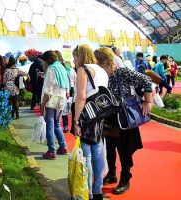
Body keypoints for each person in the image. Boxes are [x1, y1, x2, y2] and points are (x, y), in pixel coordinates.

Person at [94, 47, 152, 195]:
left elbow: (146, 79)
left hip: (124, 118)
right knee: (109, 148)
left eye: (96, 61)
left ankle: (125, 178)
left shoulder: (122, 72)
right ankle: (111, 174)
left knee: (124, 150)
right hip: (109, 117)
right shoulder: (101, 76)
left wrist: (147, 101)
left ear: (104, 62)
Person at [73, 45, 108, 200]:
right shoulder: (100, 70)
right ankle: (98, 190)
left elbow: (81, 97)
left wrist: (76, 121)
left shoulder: (83, 70)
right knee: (98, 154)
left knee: (86, 156)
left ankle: (86, 193)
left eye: (75, 57)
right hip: (100, 116)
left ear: (80, 56)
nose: (73, 60)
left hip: (86, 117)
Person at [40, 50, 69, 160]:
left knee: (50, 125)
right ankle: (63, 147)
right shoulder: (61, 67)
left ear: (47, 60)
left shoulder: (51, 69)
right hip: (61, 100)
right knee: (57, 124)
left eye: (44, 61)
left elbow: (48, 90)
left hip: (52, 101)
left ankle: (51, 151)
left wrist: (42, 104)